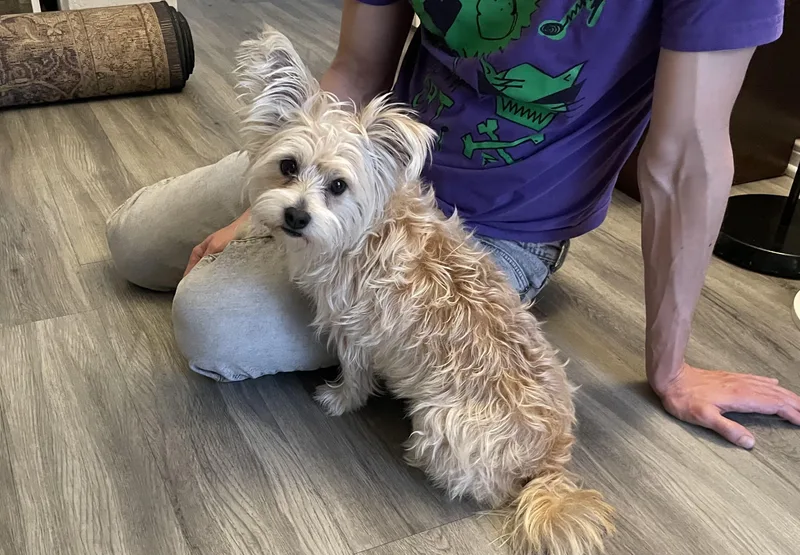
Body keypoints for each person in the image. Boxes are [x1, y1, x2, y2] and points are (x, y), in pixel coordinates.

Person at [107, 0, 800, 449]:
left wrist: (670, 368)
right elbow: (357, 65)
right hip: (358, 163)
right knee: (133, 242)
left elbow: (685, 157)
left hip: (501, 224)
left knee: (211, 325)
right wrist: (267, 208)